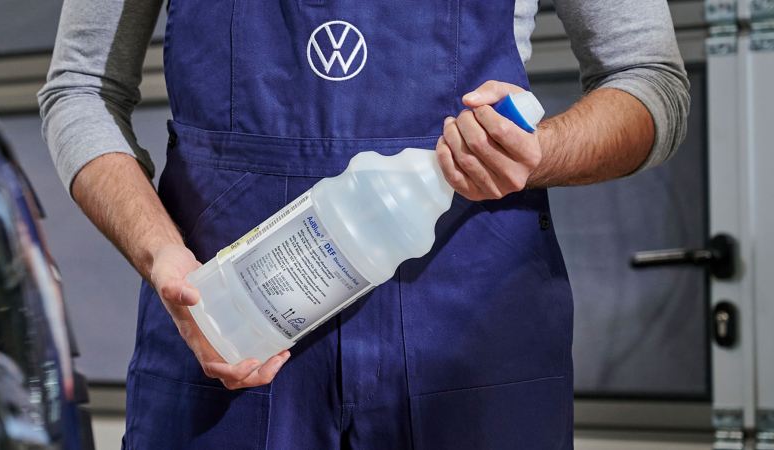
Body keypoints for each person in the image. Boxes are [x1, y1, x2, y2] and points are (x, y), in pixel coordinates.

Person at [38, 0, 689, 448]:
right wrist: (159, 256)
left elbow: (648, 80)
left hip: (469, 332)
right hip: (228, 328)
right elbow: (81, 90)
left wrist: (540, 151)